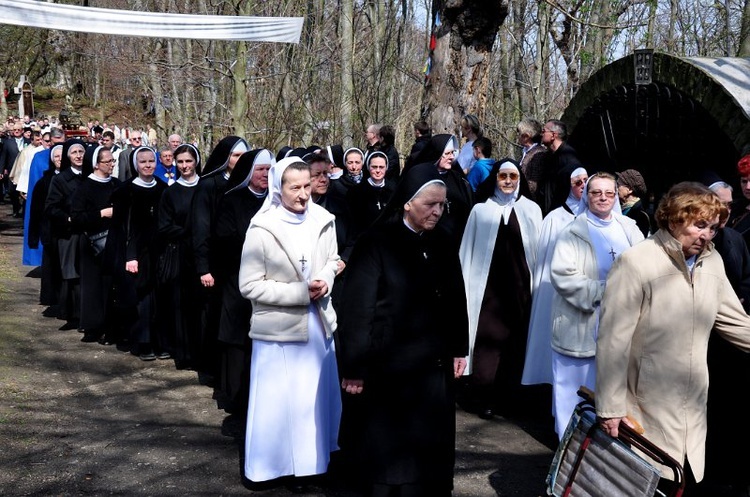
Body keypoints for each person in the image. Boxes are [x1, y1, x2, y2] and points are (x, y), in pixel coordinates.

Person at [596, 182, 750, 495]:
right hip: (643, 406)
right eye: (699, 225)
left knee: (685, 481)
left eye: (712, 228)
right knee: (647, 483)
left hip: (693, 403)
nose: (706, 235)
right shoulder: (636, 261)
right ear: (674, 219)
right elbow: (613, 340)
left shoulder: (713, 263)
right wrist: (610, 407)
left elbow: (737, 322)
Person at [338, 165, 469, 497]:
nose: (438, 211)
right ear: (408, 203)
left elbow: (456, 296)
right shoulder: (376, 242)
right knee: (389, 446)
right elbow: (357, 310)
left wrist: (459, 347)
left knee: (430, 445)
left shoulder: (443, 239)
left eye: (443, 205)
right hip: (389, 366)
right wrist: (354, 366)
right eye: (431, 204)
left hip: (434, 363)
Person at [239, 157, 341, 492]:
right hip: (279, 330)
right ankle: (274, 466)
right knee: (280, 403)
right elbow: (249, 285)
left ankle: (313, 464)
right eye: (294, 187)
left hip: (317, 325)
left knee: (312, 399)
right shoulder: (263, 227)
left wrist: (325, 280)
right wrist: (299, 292)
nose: (302, 195)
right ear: (277, 188)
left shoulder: (323, 219)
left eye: (306, 186)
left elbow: (332, 260)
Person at [549, 172, 643, 439]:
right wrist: (608, 290)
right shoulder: (573, 231)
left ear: (617, 196)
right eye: (596, 192)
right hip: (579, 324)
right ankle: (568, 450)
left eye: (609, 193)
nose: (602, 198)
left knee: (611, 393)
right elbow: (563, 277)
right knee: (573, 394)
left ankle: (602, 455)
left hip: (620, 323)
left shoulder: (629, 228)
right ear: (586, 195)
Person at [459, 160, 542, 419]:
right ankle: (483, 397)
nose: (507, 181)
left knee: (516, 343)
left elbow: (537, 252)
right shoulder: (481, 211)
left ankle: (512, 399)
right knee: (487, 344)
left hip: (520, 291)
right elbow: (468, 252)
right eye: (502, 176)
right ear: (495, 178)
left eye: (513, 176)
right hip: (488, 291)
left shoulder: (531, 210)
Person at [215, 148, 271, 413]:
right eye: (260, 170)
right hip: (237, 277)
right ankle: (236, 396)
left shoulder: (275, 200)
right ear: (248, 172)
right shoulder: (231, 199)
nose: (265, 175)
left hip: (270, 280)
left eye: (269, 170)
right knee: (237, 337)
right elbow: (223, 239)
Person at [522, 167, 588, 387]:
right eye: (577, 181)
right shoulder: (554, 218)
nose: (583, 185)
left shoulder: (595, 218)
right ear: (568, 185)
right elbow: (544, 261)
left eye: (586, 181)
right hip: (554, 288)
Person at [107, 146, 168, 360]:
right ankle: (141, 343)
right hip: (135, 253)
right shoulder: (125, 191)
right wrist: (129, 256)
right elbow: (124, 227)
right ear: (136, 165)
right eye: (143, 162)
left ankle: (159, 342)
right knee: (140, 299)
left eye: (152, 161)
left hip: (157, 251)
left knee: (158, 297)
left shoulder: (162, 187)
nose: (148, 165)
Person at [156, 144, 203, 368]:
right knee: (182, 305)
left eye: (188, 161)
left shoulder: (206, 187)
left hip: (205, 255)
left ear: (196, 161)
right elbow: (163, 226)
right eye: (180, 162)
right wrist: (188, 232)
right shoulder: (170, 192)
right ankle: (184, 354)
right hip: (180, 255)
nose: (184, 166)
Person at [70, 145, 120, 344]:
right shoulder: (85, 187)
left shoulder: (116, 184)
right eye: (108, 162)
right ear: (96, 164)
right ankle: (92, 326)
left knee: (110, 287)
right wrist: (102, 213)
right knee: (92, 287)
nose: (111, 165)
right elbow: (77, 217)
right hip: (91, 243)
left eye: (112, 161)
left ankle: (110, 326)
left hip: (113, 241)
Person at [45, 139, 88, 332]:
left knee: (88, 275)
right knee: (71, 275)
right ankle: (73, 314)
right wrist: (68, 218)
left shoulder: (91, 176)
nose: (78, 155)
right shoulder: (60, 179)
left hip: (89, 232)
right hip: (69, 233)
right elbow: (51, 208)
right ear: (67, 157)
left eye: (81, 151)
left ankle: (88, 314)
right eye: (74, 152)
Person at [408, 134, 474, 249]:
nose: (451, 157)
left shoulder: (458, 178)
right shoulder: (422, 178)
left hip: (456, 241)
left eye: (453, 153)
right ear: (437, 154)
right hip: (428, 241)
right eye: (447, 154)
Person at [347, 151, 396, 240]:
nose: (378, 170)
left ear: (386, 168)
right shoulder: (356, 191)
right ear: (368, 168)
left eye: (381, 167)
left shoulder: (394, 190)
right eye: (374, 167)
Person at [517, 118, 547, 200]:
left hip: (531, 202)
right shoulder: (526, 152)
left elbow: (534, 184)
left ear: (526, 136)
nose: (518, 136)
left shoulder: (539, 154)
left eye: (519, 133)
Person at [616, 168, 652, 237]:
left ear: (629, 190)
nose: (616, 188)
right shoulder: (621, 208)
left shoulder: (641, 216)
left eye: (618, 184)